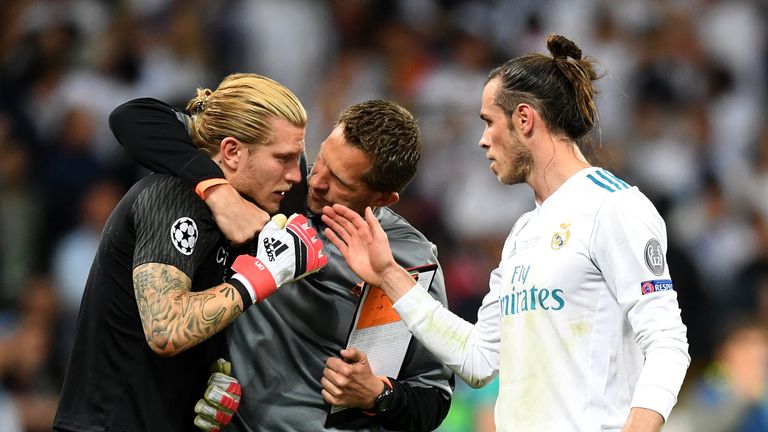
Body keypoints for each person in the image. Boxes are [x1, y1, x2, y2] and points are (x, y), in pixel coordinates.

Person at [321, 34, 691, 431]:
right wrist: (389, 275)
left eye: (488, 122)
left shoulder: (614, 207)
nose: (482, 140)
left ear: (524, 119)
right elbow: (480, 359)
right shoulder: (524, 231)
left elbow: (668, 343)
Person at [108, 98, 454, 431]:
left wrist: (378, 395)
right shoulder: (275, 184)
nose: (315, 182)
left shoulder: (410, 260)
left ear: (383, 199)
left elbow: (433, 397)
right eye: (321, 161)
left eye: (341, 182)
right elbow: (133, 116)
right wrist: (219, 191)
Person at [53, 73, 327, 432]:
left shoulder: (248, 217)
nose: (296, 175)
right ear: (231, 152)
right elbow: (167, 330)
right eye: (284, 158)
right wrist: (263, 274)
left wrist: (213, 375)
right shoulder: (173, 195)